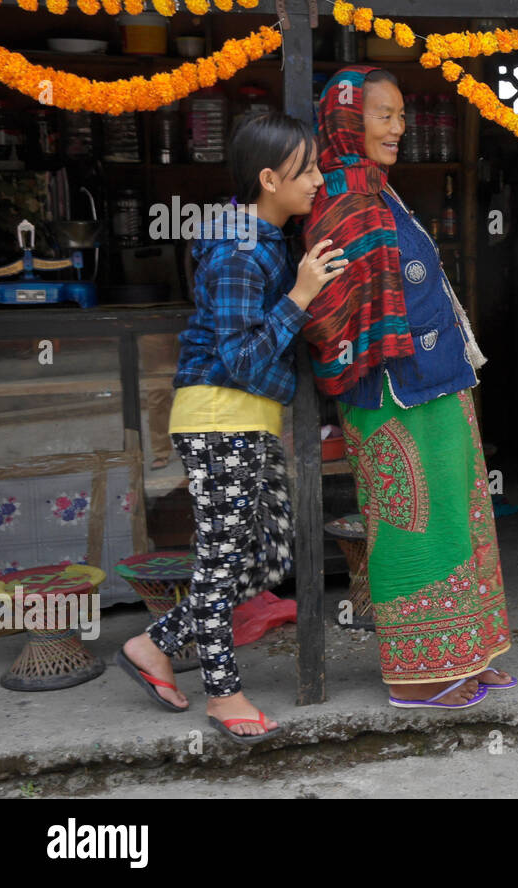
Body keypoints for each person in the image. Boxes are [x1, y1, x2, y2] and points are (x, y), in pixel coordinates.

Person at [115, 112, 345, 743]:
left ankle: (154, 644)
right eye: (307, 171)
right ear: (269, 178)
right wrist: (299, 296)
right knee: (222, 564)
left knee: (265, 555)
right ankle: (223, 694)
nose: (319, 180)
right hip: (220, 420)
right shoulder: (240, 251)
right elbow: (242, 358)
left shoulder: (266, 238)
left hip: (248, 421)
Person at [301, 66, 513, 710]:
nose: (397, 126)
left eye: (399, 115)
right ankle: (419, 673)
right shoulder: (338, 198)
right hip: (389, 393)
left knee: (458, 513)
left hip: (435, 381)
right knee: (408, 524)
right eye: (381, 115)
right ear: (346, 121)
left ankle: (465, 650)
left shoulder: (380, 192)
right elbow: (328, 309)